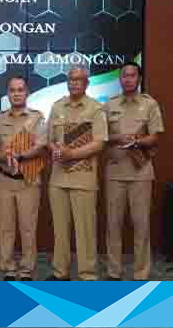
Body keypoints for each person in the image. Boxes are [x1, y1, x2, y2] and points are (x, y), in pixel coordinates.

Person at [45, 65, 107, 281]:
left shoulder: (95, 109)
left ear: (87, 83)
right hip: (58, 179)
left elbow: (99, 143)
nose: (74, 83)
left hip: (84, 179)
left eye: (79, 79)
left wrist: (72, 153)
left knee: (85, 231)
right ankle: (60, 272)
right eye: (71, 79)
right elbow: (49, 139)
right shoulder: (57, 106)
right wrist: (56, 150)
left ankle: (87, 275)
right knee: (60, 231)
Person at [104, 62, 164, 280]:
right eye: (124, 76)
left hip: (141, 173)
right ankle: (114, 272)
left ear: (139, 78)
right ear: (120, 79)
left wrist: (138, 142)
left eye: (132, 75)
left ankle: (141, 273)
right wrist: (118, 137)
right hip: (115, 172)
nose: (128, 79)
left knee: (141, 226)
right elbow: (101, 136)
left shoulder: (149, 104)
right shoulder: (109, 106)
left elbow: (156, 135)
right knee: (113, 225)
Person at [0, 76, 47, 281]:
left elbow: (41, 145)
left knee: (28, 228)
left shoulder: (37, 118)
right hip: (4, 179)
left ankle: (26, 269)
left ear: (27, 93)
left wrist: (21, 156)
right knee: (5, 227)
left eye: (20, 90)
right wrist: (3, 156)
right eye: (12, 90)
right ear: (8, 93)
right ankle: (8, 268)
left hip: (28, 180)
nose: (16, 93)